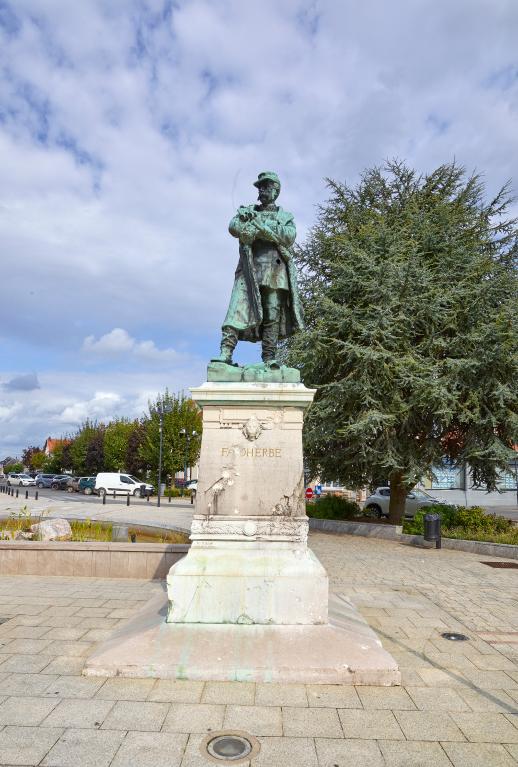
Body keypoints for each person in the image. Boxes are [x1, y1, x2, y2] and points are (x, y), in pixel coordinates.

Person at [212, 171, 303, 368]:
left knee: (272, 315)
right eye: (260, 187)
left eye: (266, 186)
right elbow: (234, 227)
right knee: (236, 309)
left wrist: (262, 226)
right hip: (249, 269)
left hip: (275, 272)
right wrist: (246, 221)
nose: (262, 190)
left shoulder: (285, 216)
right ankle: (225, 352)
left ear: (276, 190)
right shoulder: (248, 212)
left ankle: (269, 358)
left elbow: (288, 236)